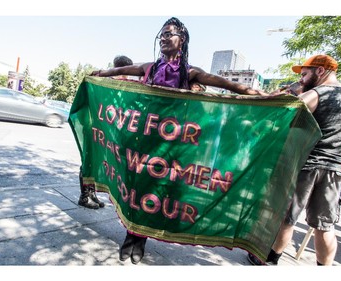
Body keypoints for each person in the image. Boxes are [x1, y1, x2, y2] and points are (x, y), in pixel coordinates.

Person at [90, 17, 269, 264]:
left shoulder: (191, 72)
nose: (163, 38)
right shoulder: (149, 68)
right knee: (137, 189)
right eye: (161, 35)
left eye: (169, 34)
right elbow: (120, 71)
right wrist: (100, 74)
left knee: (160, 193)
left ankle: (145, 235)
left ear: (181, 40)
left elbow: (227, 84)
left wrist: (262, 94)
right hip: (144, 143)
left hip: (174, 147)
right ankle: (132, 238)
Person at [247, 54, 341, 266]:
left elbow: (284, 117)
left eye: (305, 74)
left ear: (320, 71)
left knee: (287, 217)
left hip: (306, 165)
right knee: (324, 225)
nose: (302, 79)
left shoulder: (317, 93)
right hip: (335, 169)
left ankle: (270, 257)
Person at [78, 55, 133, 209]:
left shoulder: (125, 85)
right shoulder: (104, 83)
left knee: (98, 162)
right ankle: (84, 196)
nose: (126, 74)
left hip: (107, 131)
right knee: (88, 162)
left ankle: (92, 194)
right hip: (93, 128)